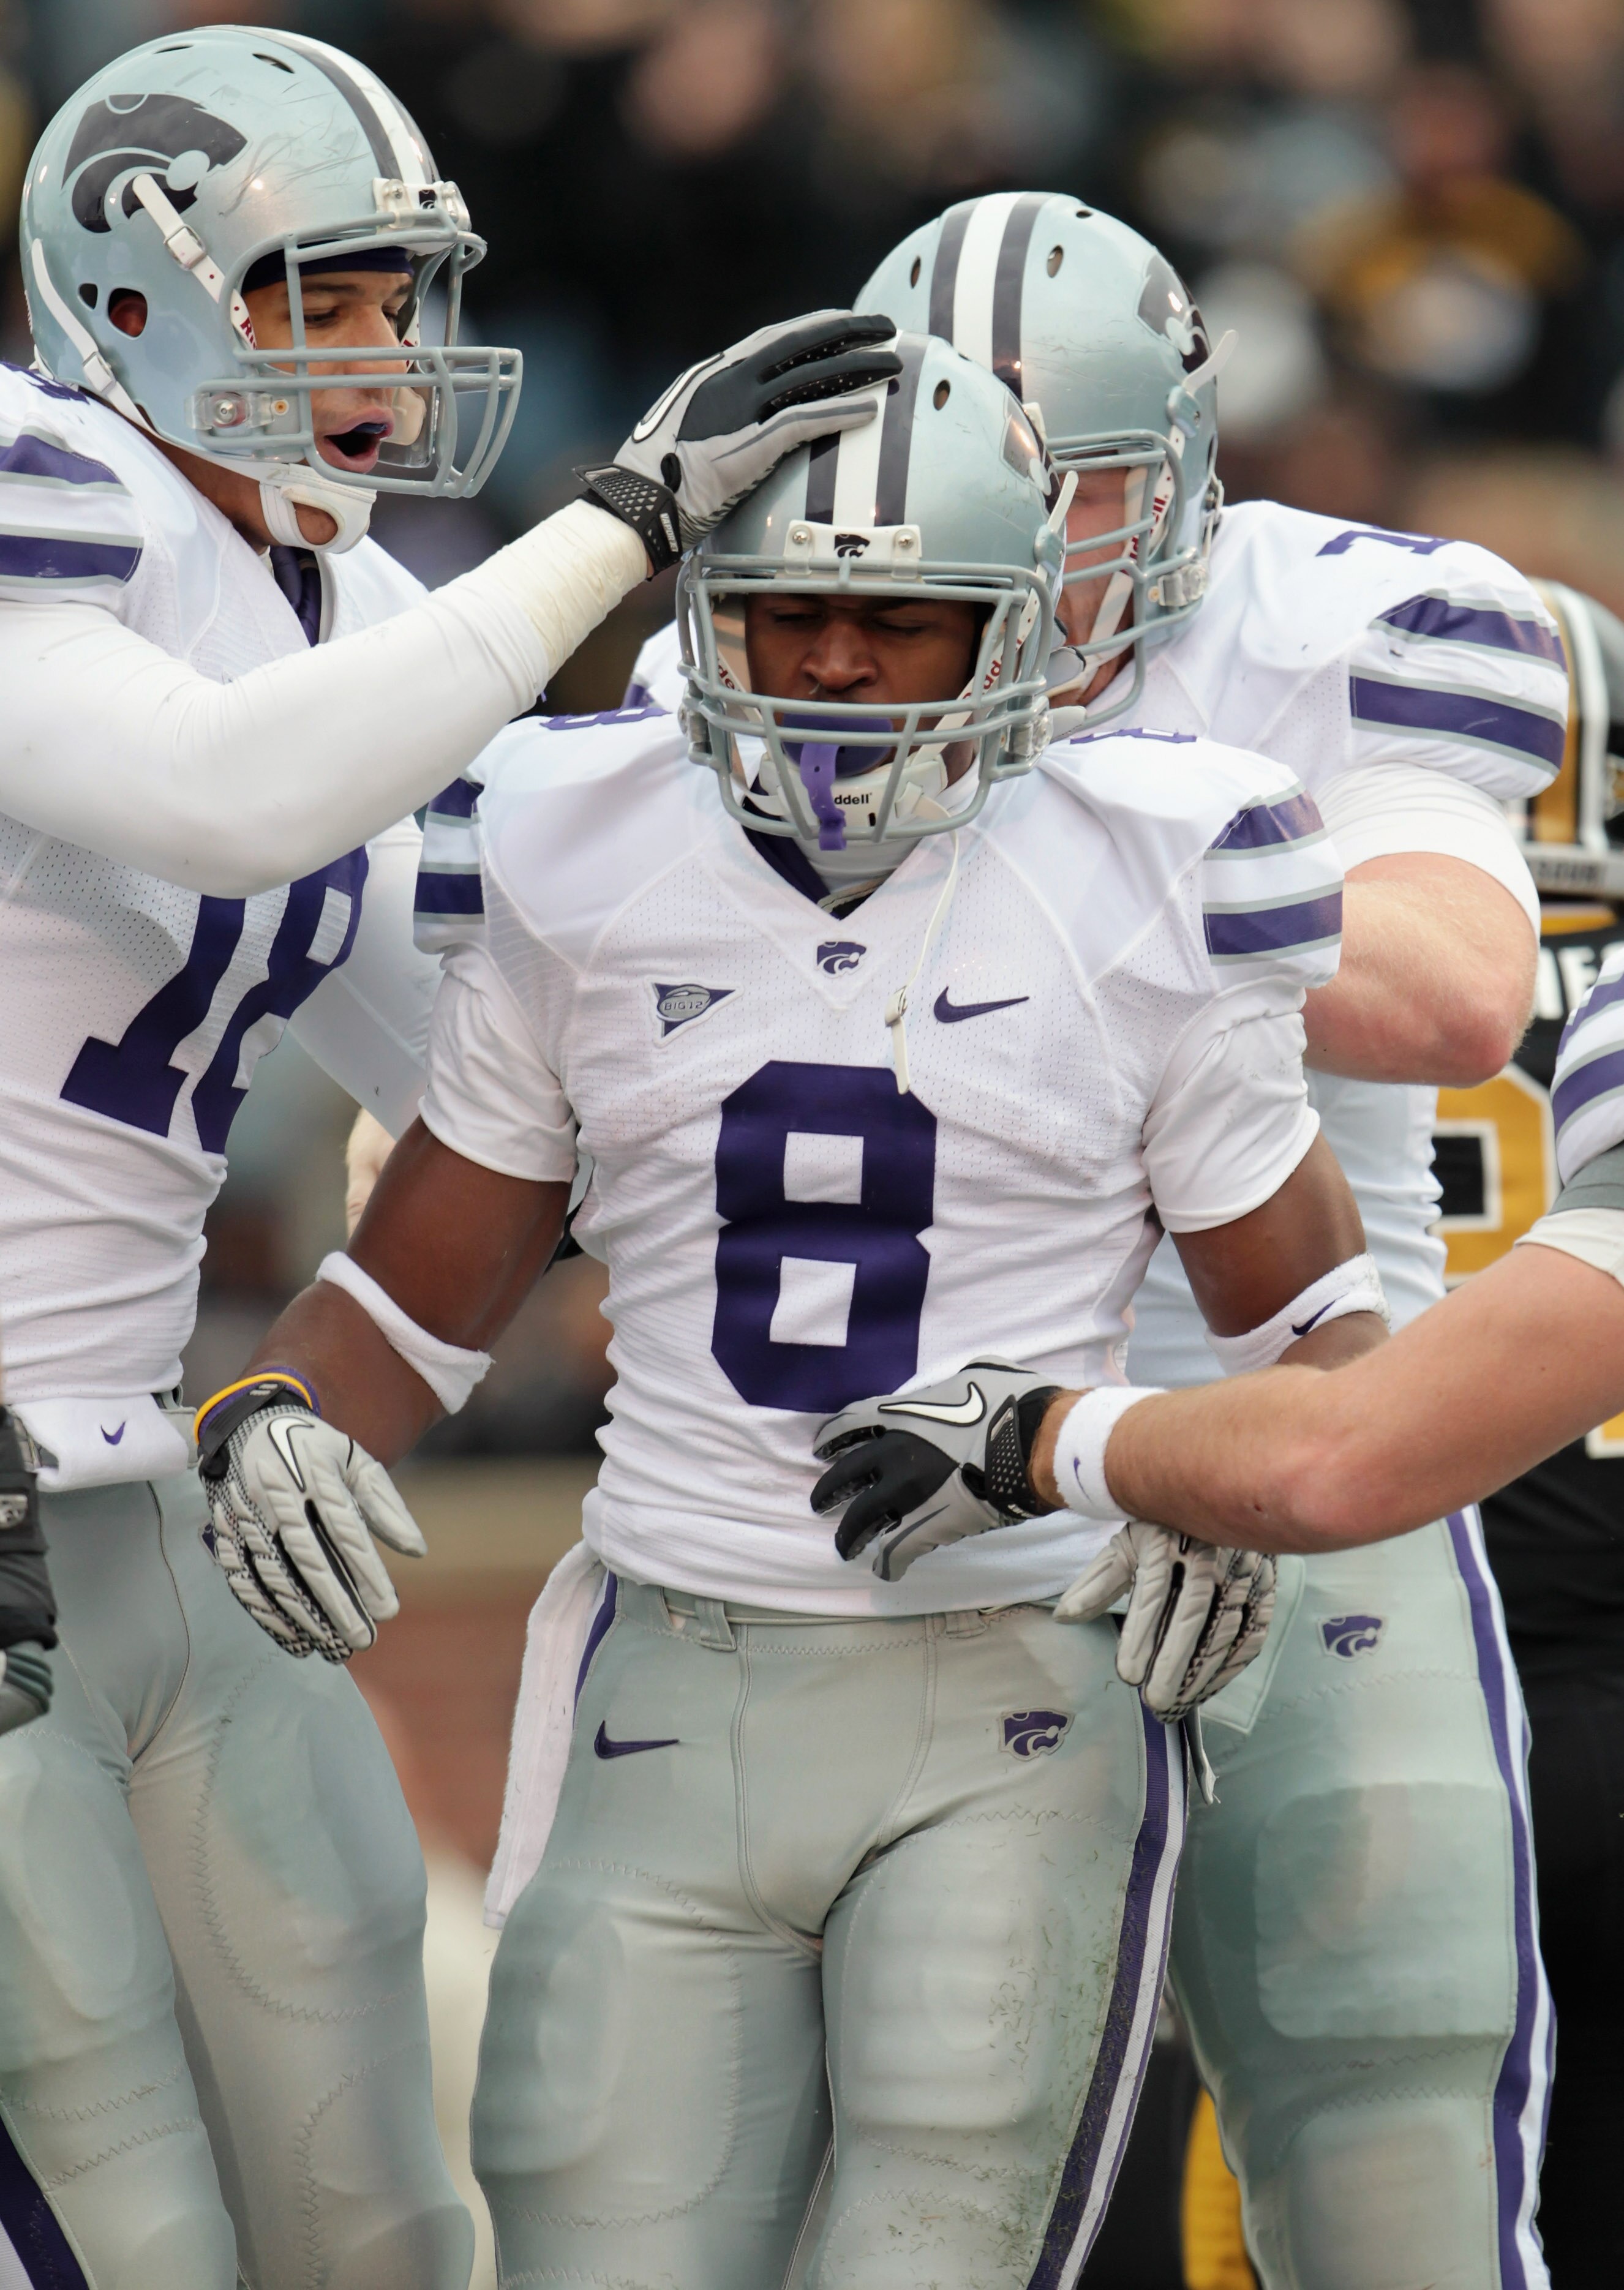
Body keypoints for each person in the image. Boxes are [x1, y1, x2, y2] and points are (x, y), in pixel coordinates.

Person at [198, 339, 1383, 2288]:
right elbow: (407, 1306)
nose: (833, 662)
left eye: (894, 621)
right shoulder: (576, 844)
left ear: (1013, 629)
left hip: (1010, 1690)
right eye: (787, 609)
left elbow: (1320, 1340)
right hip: (668, 1673)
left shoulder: (1153, 867)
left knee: (931, 2238)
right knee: (587, 2230)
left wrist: (1206, 1488)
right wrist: (275, 1412)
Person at [0, 19, 895, 2288]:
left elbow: (531, 1055)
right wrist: (607, 535)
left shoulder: (356, 615)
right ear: (127, 303)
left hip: (136, 1492)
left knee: (379, 2217)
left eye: (402, 294)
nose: (386, 354)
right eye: (319, 295)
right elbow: (227, 795)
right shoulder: (40, 487)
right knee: (120, 2228)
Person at [835, 192, 1561, 2290]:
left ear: (1182, 469)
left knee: (1384, 2128)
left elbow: (1447, 993)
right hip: (919, 1462)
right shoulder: (799, 613)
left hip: (1295, 1428)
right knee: (911, 2169)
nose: (1030, 542)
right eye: (982, 485)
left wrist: (1072, 874)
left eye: (1077, 492)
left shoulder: (1355, 617)